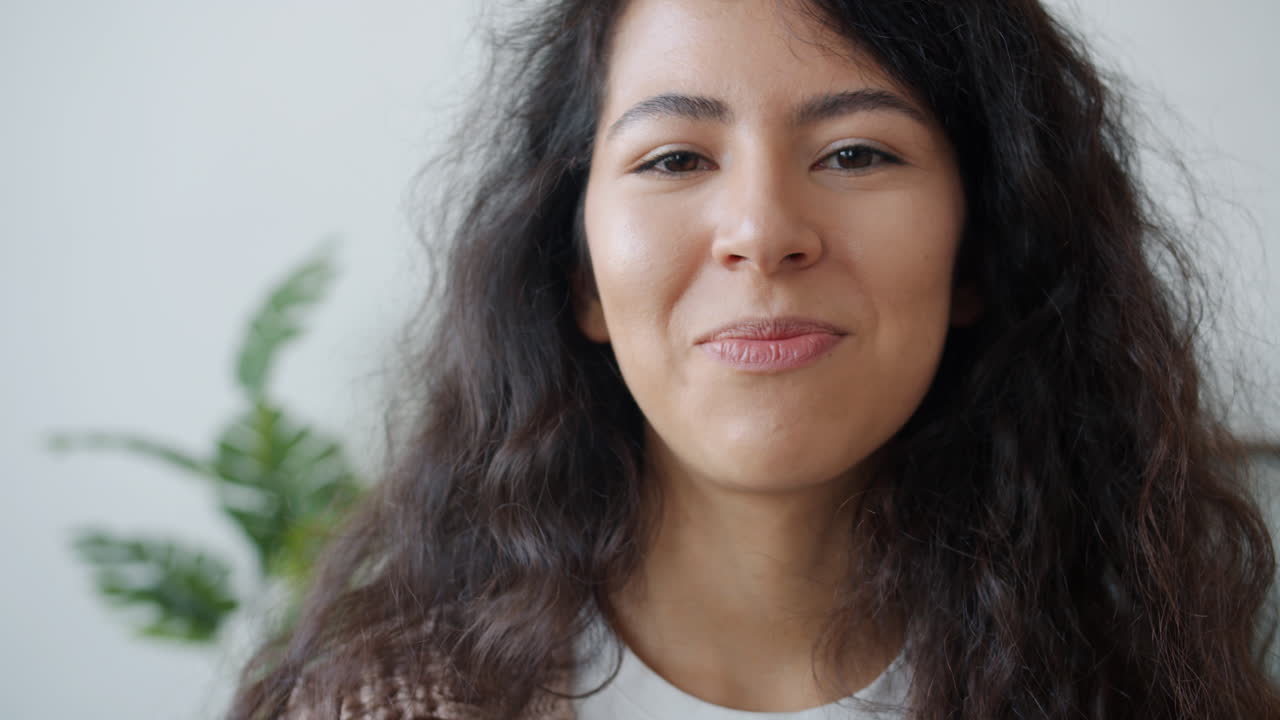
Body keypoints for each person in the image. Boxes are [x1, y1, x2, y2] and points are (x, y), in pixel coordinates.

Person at [228, 0, 1280, 718]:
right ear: (579, 273)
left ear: (980, 251)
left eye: (856, 152)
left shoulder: (1166, 692)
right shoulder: (378, 707)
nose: (763, 231)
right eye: (675, 158)